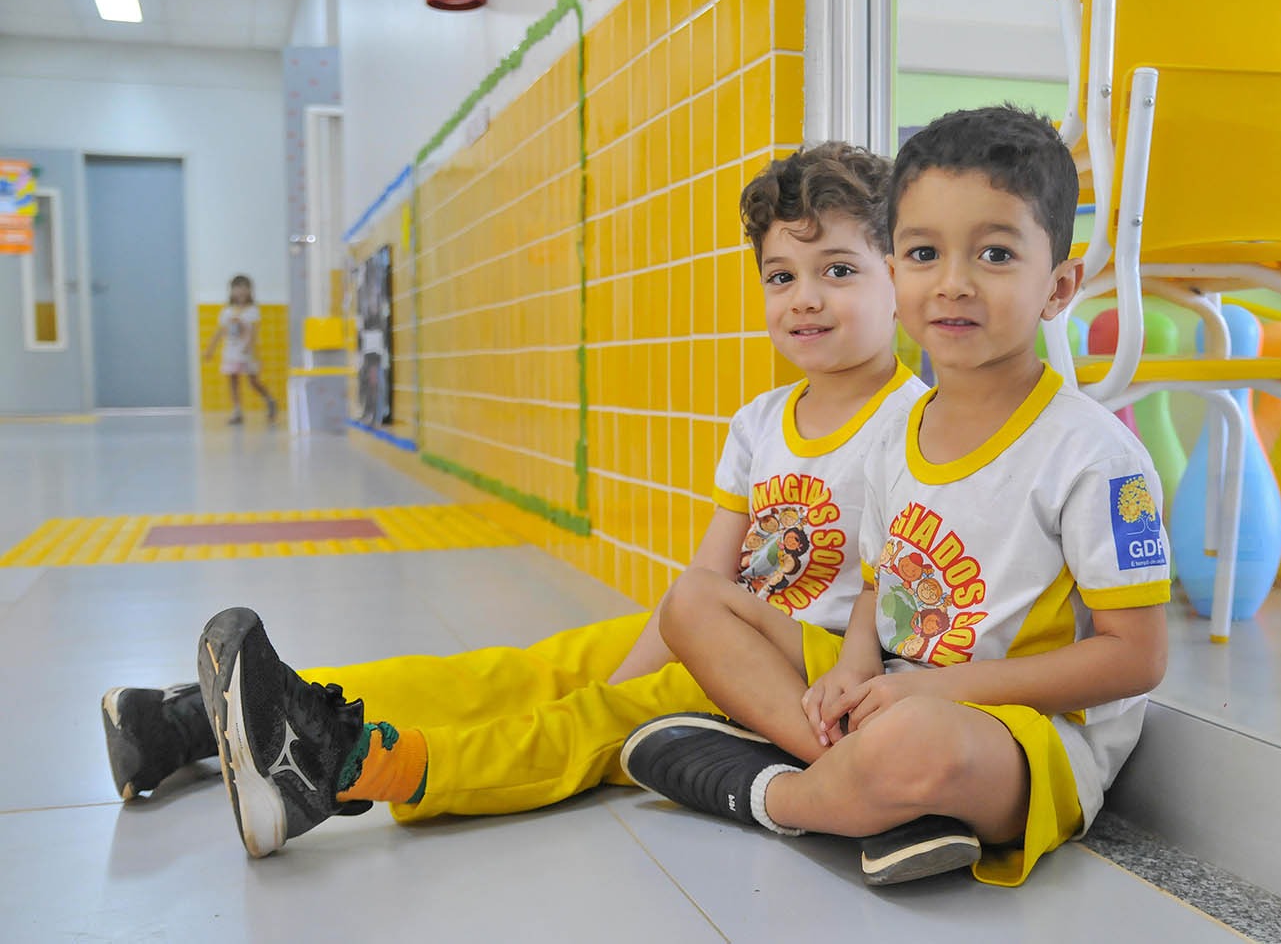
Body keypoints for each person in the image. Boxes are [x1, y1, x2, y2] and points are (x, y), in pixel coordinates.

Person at [101, 141, 931, 857]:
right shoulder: (759, 422)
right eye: (781, 275)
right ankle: (202, 719)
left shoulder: (917, 425)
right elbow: (704, 580)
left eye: (838, 271)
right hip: (723, 629)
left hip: (806, 677)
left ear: (898, 278)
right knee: (528, 671)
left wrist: (628, 686)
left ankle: (347, 767)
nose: (804, 297)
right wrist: (642, 657)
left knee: (590, 716)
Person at [620, 106, 1171, 890]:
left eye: (995, 253)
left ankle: (775, 792)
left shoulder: (1097, 458)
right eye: (922, 253)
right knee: (695, 602)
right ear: (895, 272)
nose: (953, 282)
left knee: (919, 740)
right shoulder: (899, 432)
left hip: (1018, 731)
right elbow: (880, 586)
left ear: (1059, 287)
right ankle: (877, 790)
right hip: (897, 678)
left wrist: (936, 688)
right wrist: (852, 668)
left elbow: (1138, 656)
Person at [203, 274, 278, 425]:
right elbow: (220, 332)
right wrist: (210, 349)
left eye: (245, 288)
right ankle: (237, 411)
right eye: (237, 288)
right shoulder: (227, 311)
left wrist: (249, 348)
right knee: (233, 380)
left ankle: (269, 400)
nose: (241, 291)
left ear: (250, 291)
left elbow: (254, 332)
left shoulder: (252, 311)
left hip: (247, 353)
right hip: (231, 352)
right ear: (231, 291)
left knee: (253, 381)